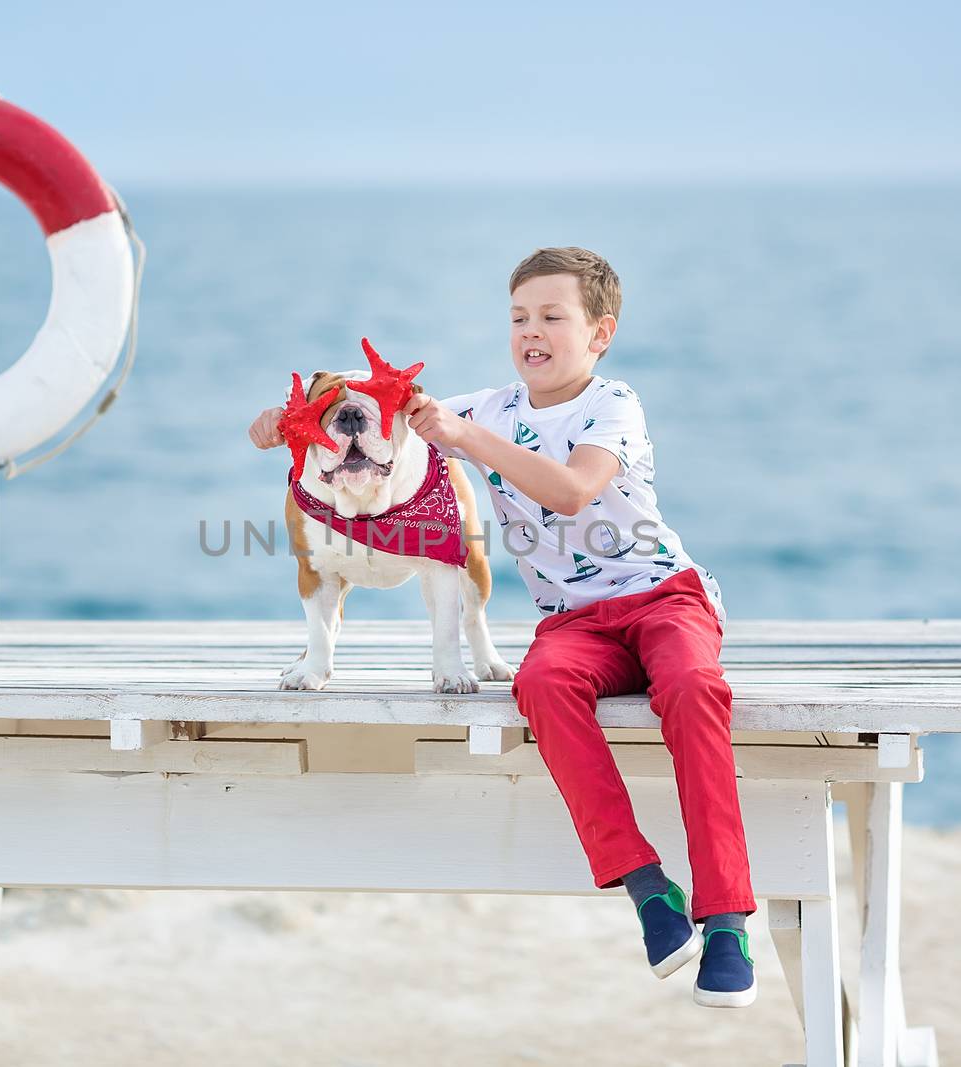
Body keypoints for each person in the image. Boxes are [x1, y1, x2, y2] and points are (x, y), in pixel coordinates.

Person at [248, 246, 755, 1006]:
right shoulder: (484, 408)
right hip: (573, 623)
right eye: (519, 317)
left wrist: (462, 435)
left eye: (554, 316)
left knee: (690, 684)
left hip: (663, 598)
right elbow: (372, 413)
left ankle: (724, 917)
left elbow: (575, 489)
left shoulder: (611, 403)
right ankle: (648, 887)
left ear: (600, 333)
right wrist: (283, 423)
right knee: (540, 686)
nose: (532, 331)